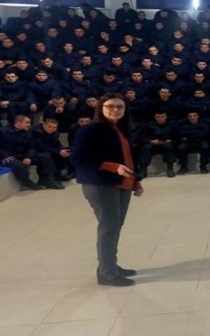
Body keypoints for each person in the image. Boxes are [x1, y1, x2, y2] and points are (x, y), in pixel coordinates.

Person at [71, 93, 143, 287]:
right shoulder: (90, 129)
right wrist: (112, 167)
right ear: (100, 108)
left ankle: (110, 265)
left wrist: (136, 181)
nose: (115, 110)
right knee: (109, 227)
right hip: (100, 184)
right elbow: (78, 158)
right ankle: (107, 273)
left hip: (123, 183)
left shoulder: (121, 128)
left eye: (120, 107)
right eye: (110, 106)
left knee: (115, 226)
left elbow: (129, 157)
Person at [0, 115, 61, 190]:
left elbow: (31, 147)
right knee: (18, 165)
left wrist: (28, 157)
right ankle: (27, 182)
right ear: (18, 123)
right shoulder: (1, 132)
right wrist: (4, 156)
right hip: (5, 157)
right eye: (27, 122)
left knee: (44, 157)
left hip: (21, 155)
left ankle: (46, 180)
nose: (29, 125)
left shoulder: (27, 133)